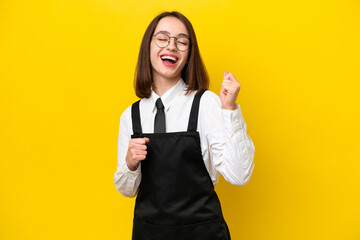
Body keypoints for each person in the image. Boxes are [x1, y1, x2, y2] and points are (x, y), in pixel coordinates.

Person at [114, 11, 255, 240]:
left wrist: (230, 110)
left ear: (189, 55)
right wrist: (130, 164)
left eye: (182, 42)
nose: (171, 46)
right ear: (148, 47)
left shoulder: (207, 104)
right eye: (162, 38)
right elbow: (127, 190)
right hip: (149, 234)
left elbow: (239, 176)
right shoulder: (131, 115)